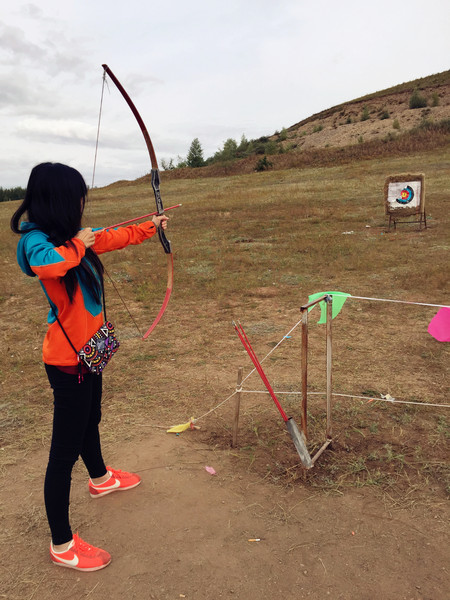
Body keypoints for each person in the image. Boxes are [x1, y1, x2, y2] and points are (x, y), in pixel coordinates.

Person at [11, 162, 169, 572]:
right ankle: (62, 544)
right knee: (62, 454)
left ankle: (100, 479)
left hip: (91, 348)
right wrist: (80, 243)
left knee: (91, 418)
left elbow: (113, 236)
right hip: (67, 360)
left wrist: (151, 226)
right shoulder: (38, 241)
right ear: (60, 199)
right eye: (79, 196)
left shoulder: (71, 239)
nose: (83, 204)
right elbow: (49, 266)